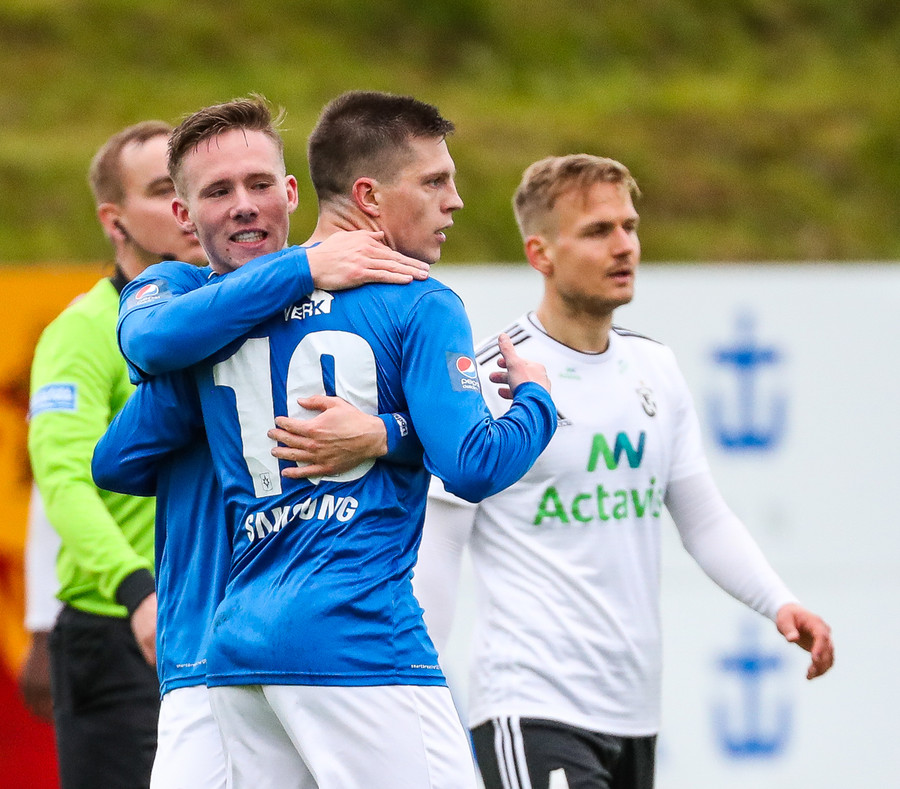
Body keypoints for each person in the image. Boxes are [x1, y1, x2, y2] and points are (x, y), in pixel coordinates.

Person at [112, 91, 556, 789]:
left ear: (292, 191)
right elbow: (471, 464)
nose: (456, 201)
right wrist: (538, 401)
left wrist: (385, 432)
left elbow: (118, 455)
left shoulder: (219, 329)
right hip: (353, 635)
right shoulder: (415, 298)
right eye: (436, 182)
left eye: (259, 184)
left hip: (241, 643)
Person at [413, 154, 835, 789]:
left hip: (635, 715)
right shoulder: (493, 379)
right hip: (530, 707)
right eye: (597, 231)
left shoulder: (654, 368)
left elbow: (703, 518)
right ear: (540, 253)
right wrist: (420, 689)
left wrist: (779, 602)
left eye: (629, 227)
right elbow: (441, 546)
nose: (623, 246)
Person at [27, 120, 207, 789]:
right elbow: (63, 479)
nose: (184, 206)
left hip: (211, 621)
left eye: (190, 186)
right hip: (121, 628)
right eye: (162, 190)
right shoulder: (82, 331)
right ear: (114, 220)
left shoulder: (224, 319)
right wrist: (137, 591)